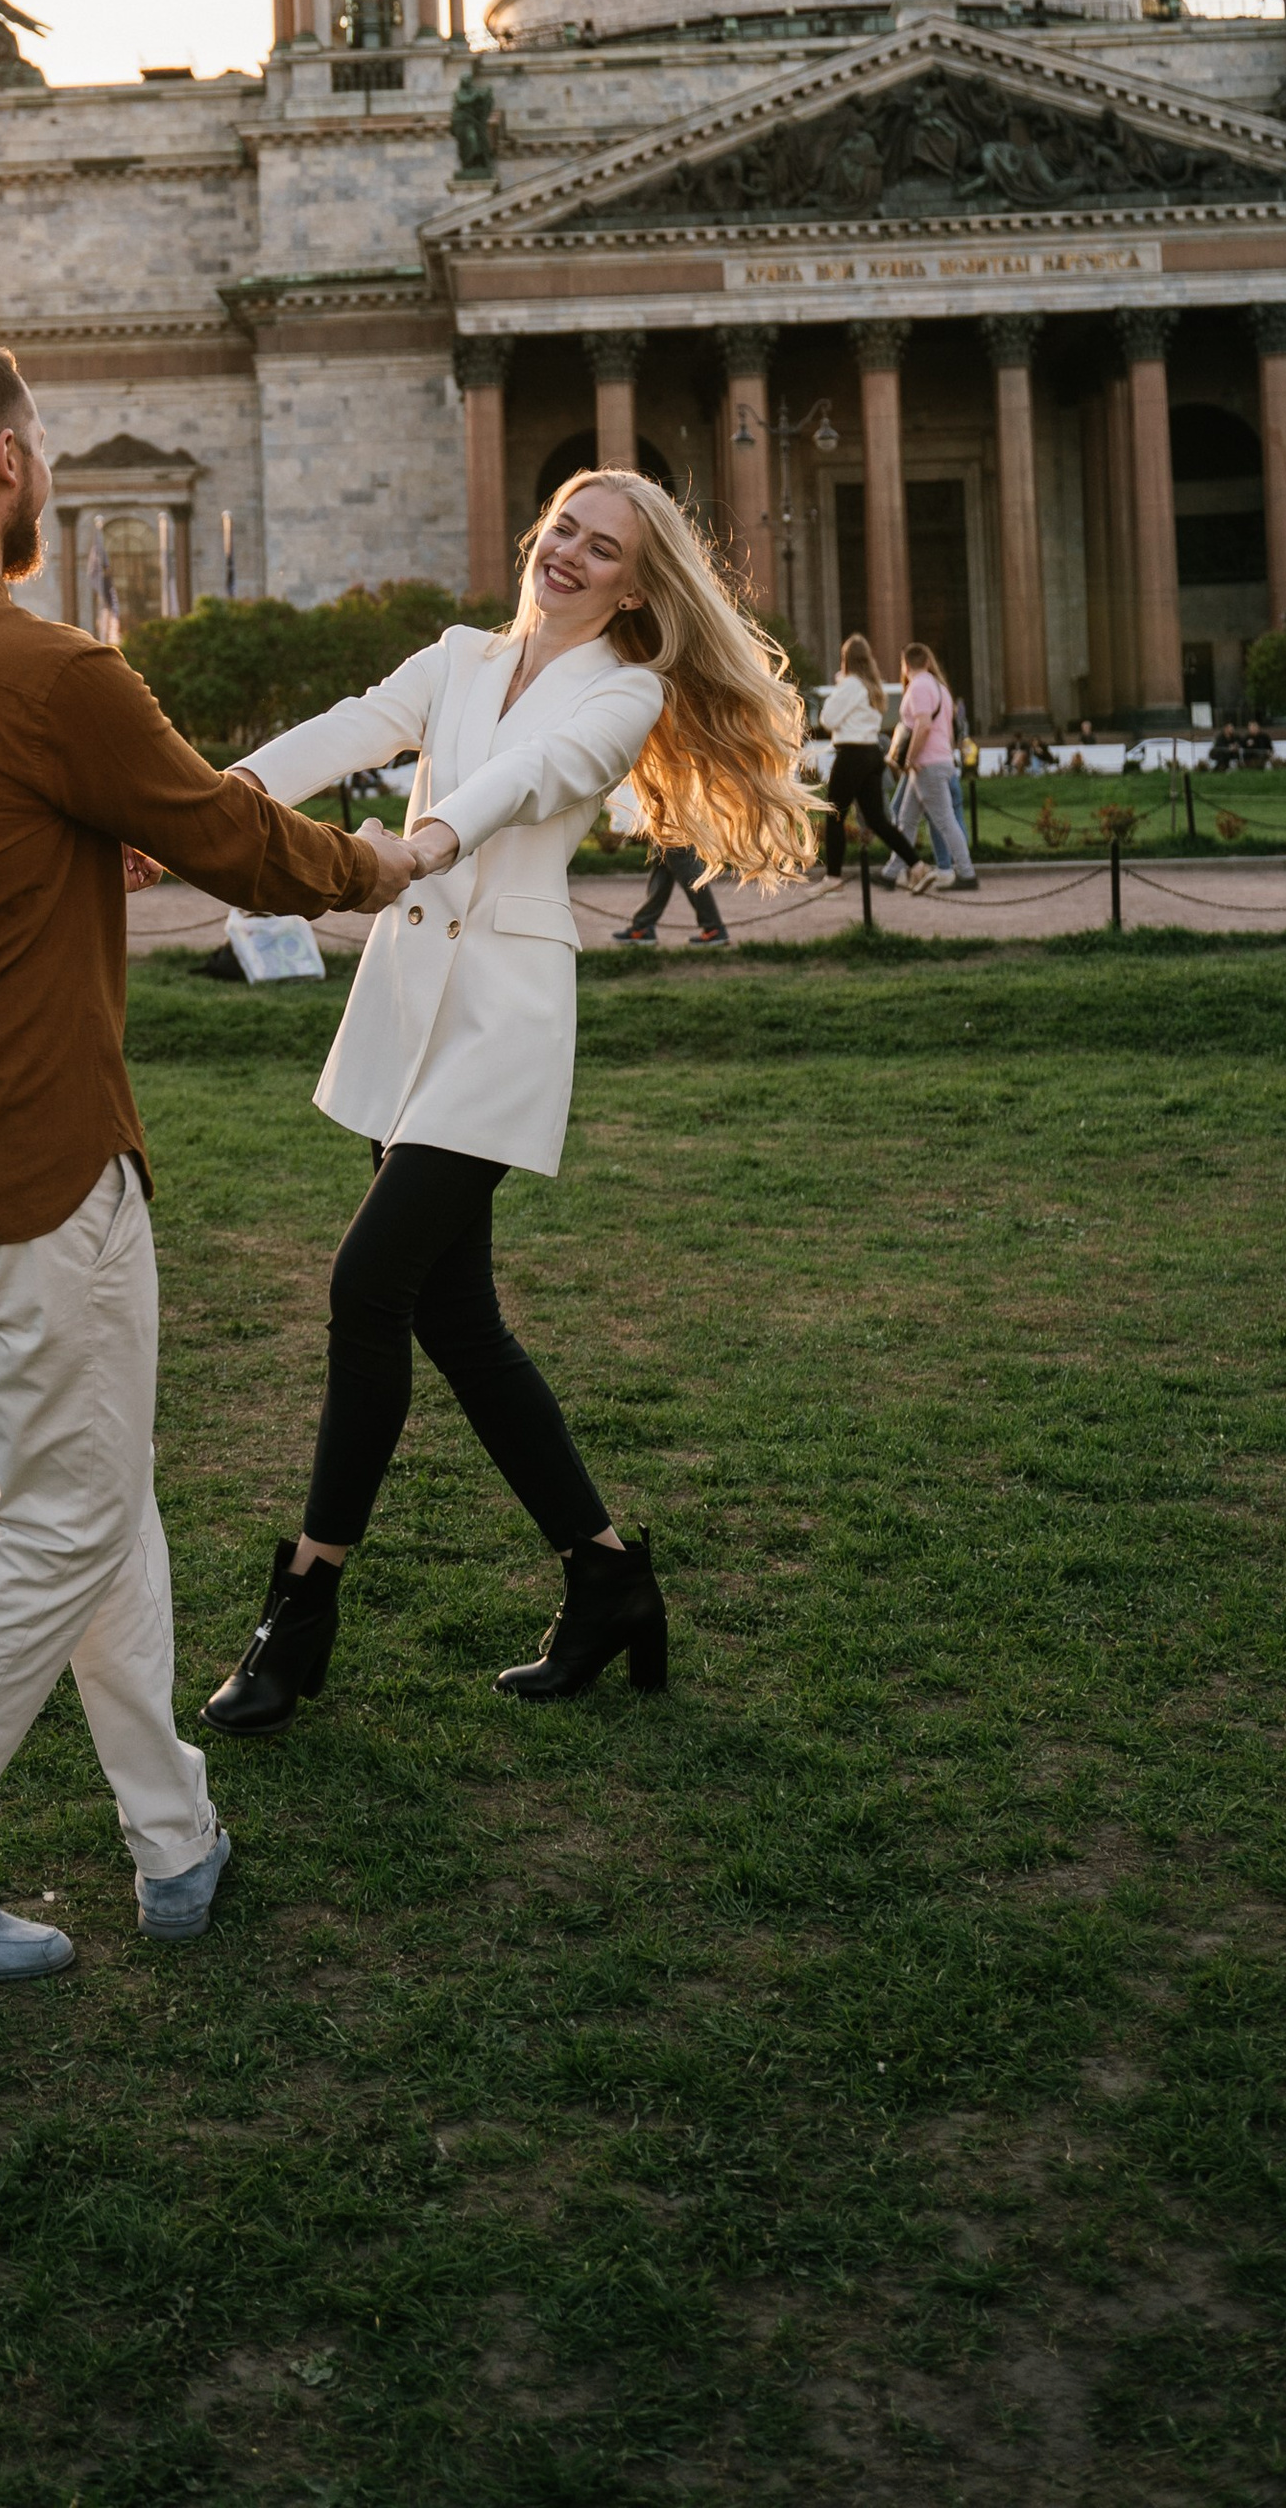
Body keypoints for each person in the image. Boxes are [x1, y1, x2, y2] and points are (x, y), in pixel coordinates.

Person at [0, 335, 417, 1986]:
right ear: (8, 459)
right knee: (60, 1518)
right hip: (39, 1151)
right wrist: (385, 858)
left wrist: (84, 849)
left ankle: (174, 1837)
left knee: (93, 1490)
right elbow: (234, 836)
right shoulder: (50, 671)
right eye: (41, 447)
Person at [200, 469, 815, 1737]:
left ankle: (301, 1611)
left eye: (604, 550)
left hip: (502, 1026)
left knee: (367, 1290)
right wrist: (203, 809)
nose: (572, 557)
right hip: (408, 1007)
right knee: (458, 1323)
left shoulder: (625, 690)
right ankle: (606, 1579)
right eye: (563, 533)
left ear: (638, 584)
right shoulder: (457, 655)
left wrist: (420, 844)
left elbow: (533, 778)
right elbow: (347, 730)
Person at [818, 638, 925, 884]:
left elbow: (828, 719)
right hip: (871, 755)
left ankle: (833, 878)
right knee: (877, 820)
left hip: (851, 754)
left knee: (834, 817)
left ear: (846, 660)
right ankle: (916, 864)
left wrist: (841, 685)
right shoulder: (872, 685)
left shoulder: (850, 685)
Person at [882, 641, 978, 893]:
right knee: (906, 819)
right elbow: (944, 730)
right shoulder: (941, 689)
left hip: (927, 765)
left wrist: (910, 759)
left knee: (944, 820)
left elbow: (923, 726)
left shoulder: (919, 687)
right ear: (926, 661)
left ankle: (967, 873)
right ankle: (892, 873)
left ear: (904, 665)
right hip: (938, 761)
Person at [618, 837, 730, 948]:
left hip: (673, 823)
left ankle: (713, 928)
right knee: (662, 862)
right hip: (665, 823)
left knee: (682, 858)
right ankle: (643, 926)